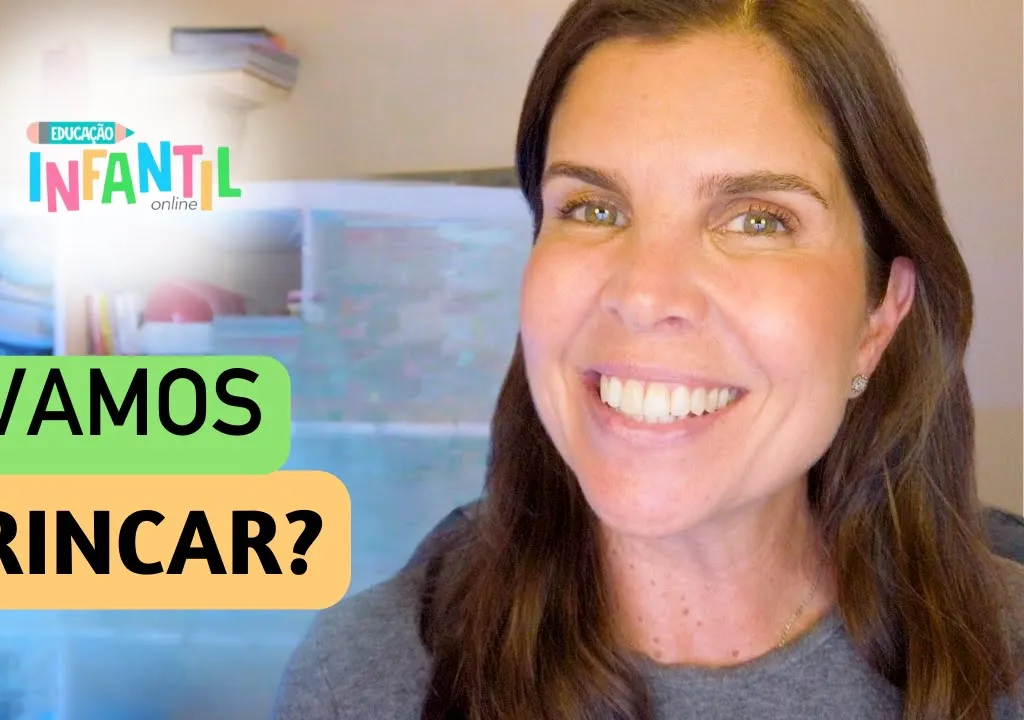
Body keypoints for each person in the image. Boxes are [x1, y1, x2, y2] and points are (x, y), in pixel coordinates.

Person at [272, 0, 1024, 717]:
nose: (644, 294)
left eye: (758, 221)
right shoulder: (364, 684)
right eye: (593, 209)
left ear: (879, 315)